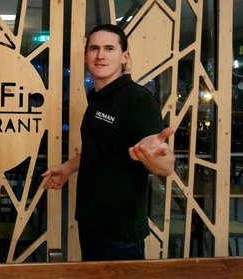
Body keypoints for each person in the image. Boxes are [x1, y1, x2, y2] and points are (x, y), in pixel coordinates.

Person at [42, 24, 175, 261]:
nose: (100, 55)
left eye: (109, 48)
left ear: (125, 57)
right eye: (94, 48)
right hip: (90, 221)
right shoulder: (97, 98)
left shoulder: (137, 99)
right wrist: (67, 167)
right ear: (86, 57)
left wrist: (158, 159)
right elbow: (101, 149)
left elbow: (165, 167)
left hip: (120, 233)